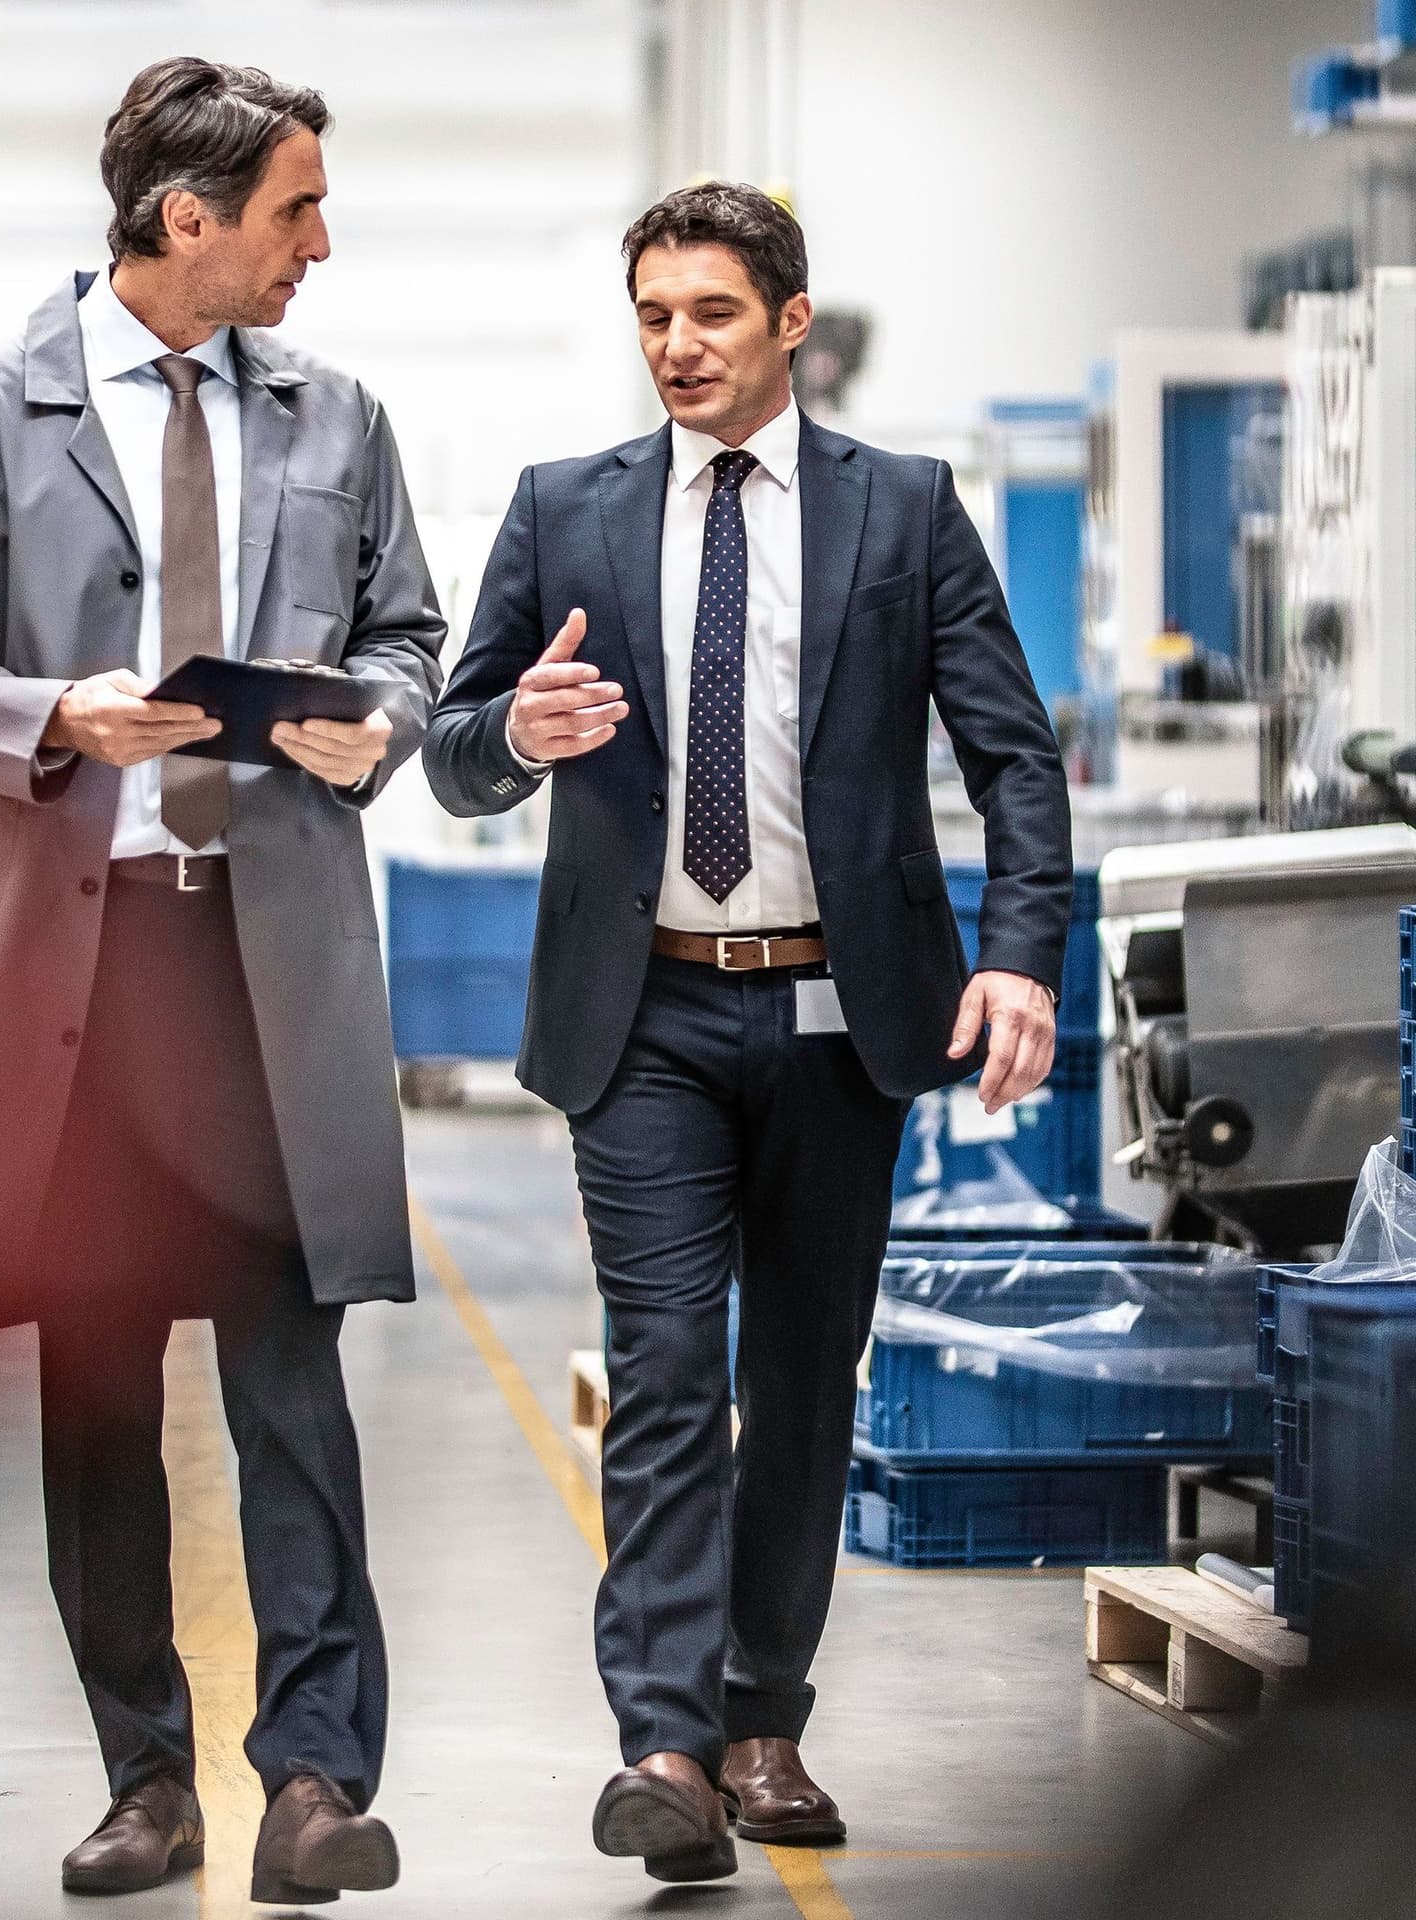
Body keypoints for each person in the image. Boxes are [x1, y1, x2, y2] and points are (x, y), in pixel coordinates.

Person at [0, 57, 444, 1903]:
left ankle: (320, 1783)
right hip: (77, 973)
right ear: (188, 222)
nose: (320, 244)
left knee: (291, 1381)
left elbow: (409, 633)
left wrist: (382, 727)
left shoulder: (339, 416)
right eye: (295, 210)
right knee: (95, 1388)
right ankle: (147, 1780)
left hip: (265, 962)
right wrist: (52, 715)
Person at [423, 182, 1072, 1882]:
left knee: (800, 1379)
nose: (675, 345)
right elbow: (456, 745)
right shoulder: (565, 508)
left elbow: (1013, 755)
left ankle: (763, 1718)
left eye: (708, 312)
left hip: (843, 1018)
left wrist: (1019, 956)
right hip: (639, 1016)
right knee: (660, 1372)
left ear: (790, 320)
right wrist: (518, 733)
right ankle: (662, 1742)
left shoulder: (906, 511)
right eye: (650, 314)